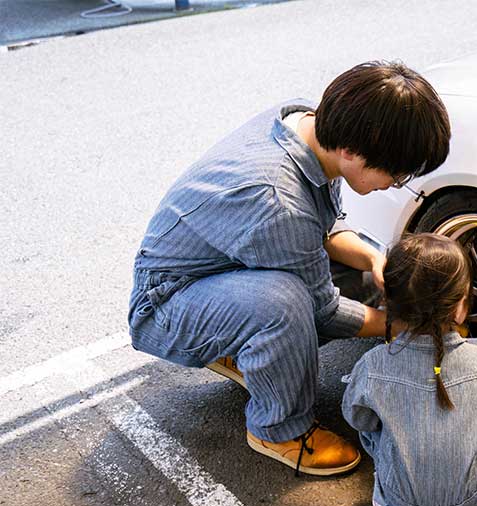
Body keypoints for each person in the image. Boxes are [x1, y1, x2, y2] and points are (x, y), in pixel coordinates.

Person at [127, 62, 451, 477]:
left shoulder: (311, 129)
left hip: (221, 269)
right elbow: (323, 311)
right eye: (394, 171)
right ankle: (277, 429)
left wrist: (374, 259)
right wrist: (401, 327)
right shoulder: (277, 198)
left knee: (341, 278)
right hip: (167, 304)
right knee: (285, 305)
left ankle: (242, 346)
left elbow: (322, 229)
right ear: (352, 151)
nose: (397, 182)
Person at [341, 233, 477, 506]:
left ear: (389, 302)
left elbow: (358, 418)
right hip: (474, 492)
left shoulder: (374, 363)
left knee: (373, 421)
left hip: (401, 492)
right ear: (460, 308)